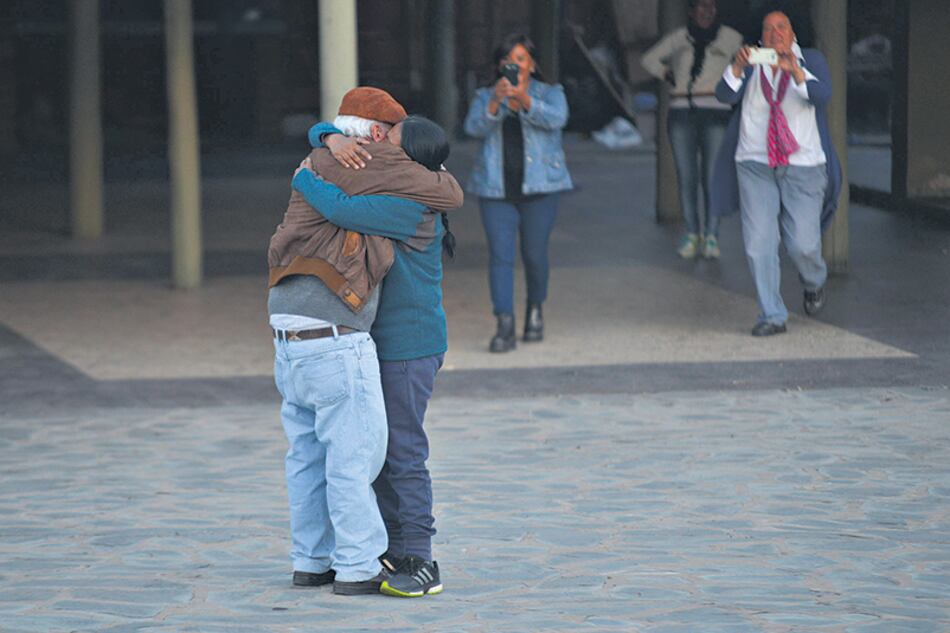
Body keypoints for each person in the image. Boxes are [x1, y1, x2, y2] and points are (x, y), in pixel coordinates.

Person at [269, 87, 463, 596]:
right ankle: (390, 547)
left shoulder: (408, 207)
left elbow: (340, 208)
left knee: (402, 453)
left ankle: (417, 555)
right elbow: (346, 156)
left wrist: (306, 176)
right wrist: (327, 137)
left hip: (408, 347)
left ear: (409, 159)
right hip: (376, 342)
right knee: (375, 452)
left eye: (390, 142)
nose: (377, 145)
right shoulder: (399, 189)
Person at [710, 8, 842, 336]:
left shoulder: (810, 60)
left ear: (792, 33)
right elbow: (725, 94)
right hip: (755, 164)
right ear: (761, 36)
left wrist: (795, 70)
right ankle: (772, 314)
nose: (775, 33)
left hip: (803, 166)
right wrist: (737, 67)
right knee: (759, 243)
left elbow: (822, 95)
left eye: (781, 27)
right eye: (768, 29)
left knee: (803, 245)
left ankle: (814, 281)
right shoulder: (752, 62)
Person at [463, 33, 573, 353]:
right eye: (508, 60)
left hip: (542, 188)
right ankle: (504, 323)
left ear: (532, 65)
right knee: (500, 256)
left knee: (535, 256)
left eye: (521, 59)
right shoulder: (485, 95)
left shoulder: (551, 93)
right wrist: (496, 103)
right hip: (495, 190)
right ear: (500, 65)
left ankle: (535, 309)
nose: (515, 65)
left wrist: (525, 100)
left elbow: (558, 119)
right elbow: (472, 128)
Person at [642, 0, 742, 259]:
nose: (707, 12)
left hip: (716, 110)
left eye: (712, 7)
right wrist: (667, 73)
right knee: (687, 176)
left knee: (711, 176)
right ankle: (692, 232)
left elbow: (749, 61)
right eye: (701, 6)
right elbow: (649, 59)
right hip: (682, 111)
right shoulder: (680, 37)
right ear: (691, 11)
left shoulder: (730, 37)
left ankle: (712, 235)